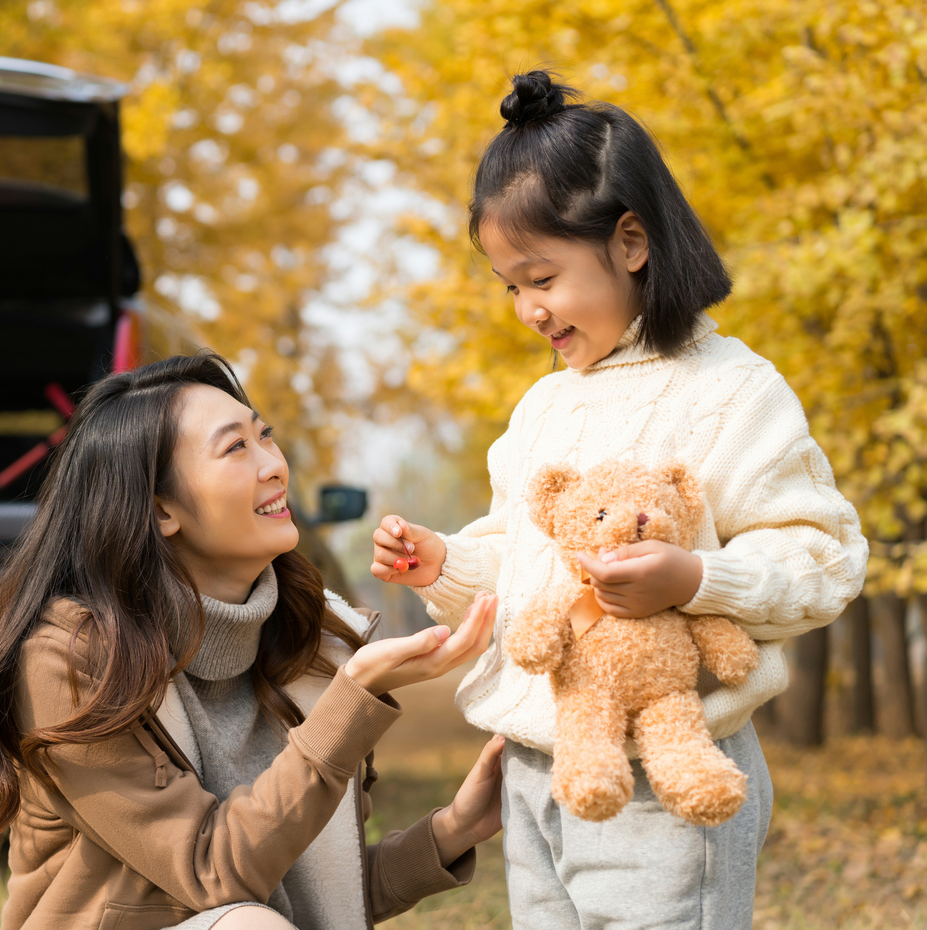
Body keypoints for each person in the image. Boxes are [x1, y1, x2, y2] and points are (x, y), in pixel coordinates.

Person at [371, 71, 868, 929]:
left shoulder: (733, 392)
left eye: (542, 278)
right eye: (509, 287)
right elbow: (523, 564)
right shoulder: (543, 407)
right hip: (542, 767)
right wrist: (445, 562)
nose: (528, 310)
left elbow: (821, 557)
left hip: (669, 776)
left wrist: (694, 581)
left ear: (631, 242)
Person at [0, 352, 504, 930]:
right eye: (235, 448)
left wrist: (452, 828)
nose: (274, 466)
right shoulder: (73, 661)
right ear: (161, 510)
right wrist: (350, 701)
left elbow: (310, 893)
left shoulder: (314, 645)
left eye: (266, 437)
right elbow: (213, 875)